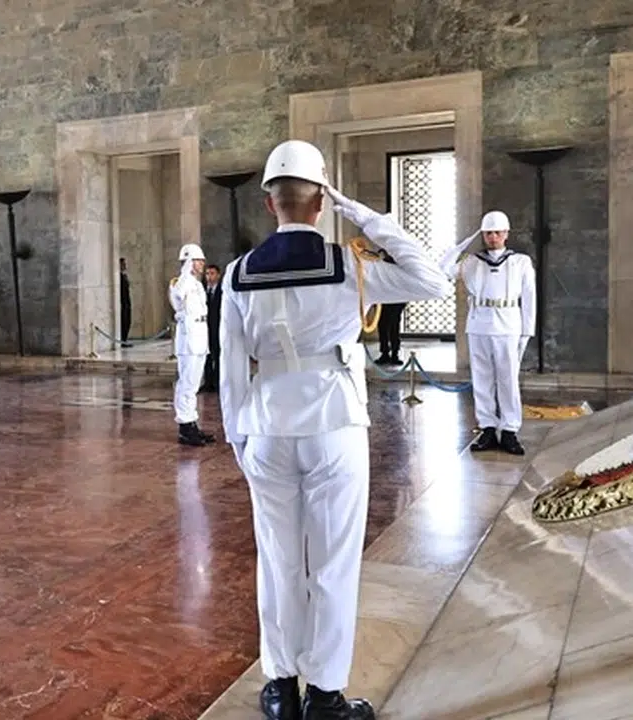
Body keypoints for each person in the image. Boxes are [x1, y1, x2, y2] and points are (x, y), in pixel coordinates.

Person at [219, 140, 452, 720]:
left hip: (266, 424)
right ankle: (324, 695)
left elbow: (229, 368)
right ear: (322, 202)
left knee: (277, 559)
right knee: (333, 562)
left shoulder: (238, 273)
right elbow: (432, 280)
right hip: (333, 423)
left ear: (269, 203)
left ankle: (280, 687)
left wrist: (238, 437)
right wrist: (366, 216)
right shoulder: (347, 265)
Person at [440, 211, 536, 455]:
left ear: (506, 234)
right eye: (488, 233)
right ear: (483, 235)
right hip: (479, 324)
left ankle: (510, 429)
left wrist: (527, 331)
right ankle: (488, 428)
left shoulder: (520, 262)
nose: (493, 237)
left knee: (508, 379)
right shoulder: (472, 262)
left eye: (497, 232)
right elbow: (443, 270)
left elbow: (529, 298)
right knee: (481, 379)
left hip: (508, 325)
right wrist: (458, 246)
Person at [168, 244, 215, 447]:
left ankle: (192, 423)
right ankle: (185, 427)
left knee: (194, 384)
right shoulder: (181, 282)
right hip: (188, 338)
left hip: (199, 335)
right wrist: (185, 273)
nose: (202, 264)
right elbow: (178, 294)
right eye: (198, 261)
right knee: (186, 383)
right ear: (189, 262)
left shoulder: (196, 284)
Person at [202, 263, 223, 392]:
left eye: (212, 273)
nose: (209, 277)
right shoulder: (202, 291)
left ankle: (218, 381)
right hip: (205, 329)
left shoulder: (223, 291)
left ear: (218, 275)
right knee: (207, 356)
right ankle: (208, 382)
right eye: (207, 274)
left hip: (218, 328)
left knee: (218, 355)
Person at [119, 257, 132, 347]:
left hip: (127, 303)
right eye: (123, 264)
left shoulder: (124, 276)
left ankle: (125, 339)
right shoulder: (119, 277)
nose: (125, 266)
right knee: (124, 322)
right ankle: (123, 340)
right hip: (123, 303)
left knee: (128, 321)